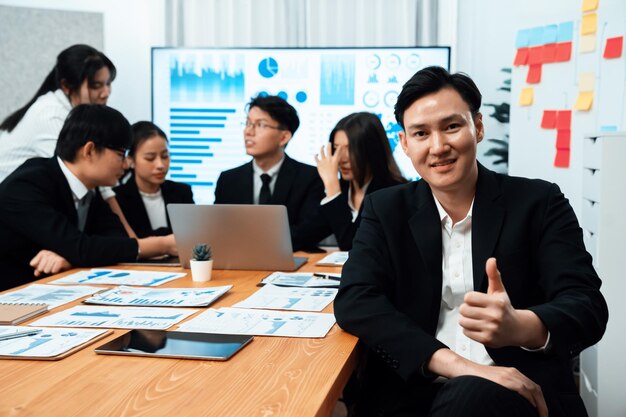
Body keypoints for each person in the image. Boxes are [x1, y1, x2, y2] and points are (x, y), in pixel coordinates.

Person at [333, 66, 608, 417]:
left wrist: (522, 326)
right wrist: (458, 365)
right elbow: (356, 299)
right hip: (411, 385)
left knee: (472, 399)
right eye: (420, 133)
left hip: (517, 390)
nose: (438, 146)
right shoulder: (386, 209)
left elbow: (587, 305)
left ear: (477, 127)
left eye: (451, 126)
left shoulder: (538, 202)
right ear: (404, 143)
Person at [0, 105, 178, 291]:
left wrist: (71, 256)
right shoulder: (27, 185)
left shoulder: (91, 190)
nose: (125, 165)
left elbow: (115, 240)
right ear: (90, 150)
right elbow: (82, 247)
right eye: (120, 154)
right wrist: (163, 245)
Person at [0, 44, 135, 237]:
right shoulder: (51, 115)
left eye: (108, 83)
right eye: (96, 86)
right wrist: (134, 242)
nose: (106, 93)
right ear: (66, 86)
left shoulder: (69, 113)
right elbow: (92, 180)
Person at [214, 95, 324, 251]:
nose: (249, 132)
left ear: (284, 137)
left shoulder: (310, 178)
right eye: (248, 123)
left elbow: (307, 232)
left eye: (260, 125)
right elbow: (219, 230)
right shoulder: (229, 180)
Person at [310, 112, 406, 250]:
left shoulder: (392, 192)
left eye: (350, 149)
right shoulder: (343, 188)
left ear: (372, 150)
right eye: (336, 149)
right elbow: (305, 234)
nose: (341, 158)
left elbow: (352, 245)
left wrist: (332, 189)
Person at [114, 121, 194, 238]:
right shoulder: (118, 198)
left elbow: (193, 236)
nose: (160, 165)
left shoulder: (182, 192)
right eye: (150, 158)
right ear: (130, 160)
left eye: (165, 156)